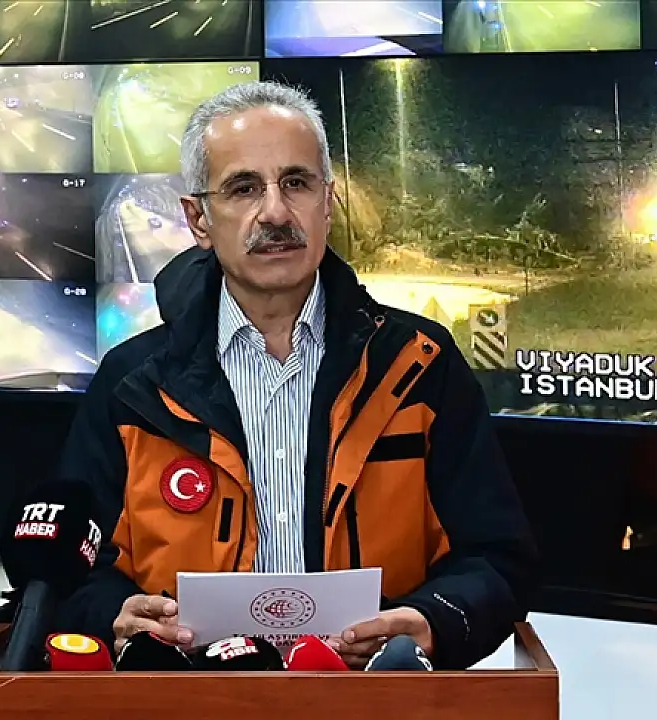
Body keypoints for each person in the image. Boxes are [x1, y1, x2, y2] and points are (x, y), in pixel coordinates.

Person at [55, 81, 536, 669]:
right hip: (192, 698)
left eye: (297, 183)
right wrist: (113, 614)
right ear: (198, 219)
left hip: (372, 700)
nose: (276, 213)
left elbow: (498, 559)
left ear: (327, 202)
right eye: (243, 188)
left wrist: (431, 621)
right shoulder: (132, 385)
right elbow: (69, 569)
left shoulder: (419, 364)